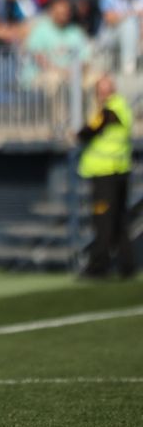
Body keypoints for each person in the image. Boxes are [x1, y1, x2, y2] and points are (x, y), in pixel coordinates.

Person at [76, 73, 135, 279]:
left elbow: (89, 131)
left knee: (103, 220)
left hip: (106, 173)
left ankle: (99, 264)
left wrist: (75, 135)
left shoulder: (109, 110)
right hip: (120, 169)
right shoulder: (123, 107)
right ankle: (127, 265)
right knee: (119, 219)